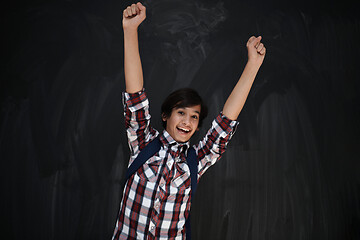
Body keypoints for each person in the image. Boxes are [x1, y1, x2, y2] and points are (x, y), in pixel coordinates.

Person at [112, 2, 266, 239]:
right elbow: (135, 96)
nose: (187, 121)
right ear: (166, 116)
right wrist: (130, 30)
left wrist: (253, 65)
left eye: (194, 117)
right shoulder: (142, 142)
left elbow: (225, 123)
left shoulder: (196, 161)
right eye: (181, 113)